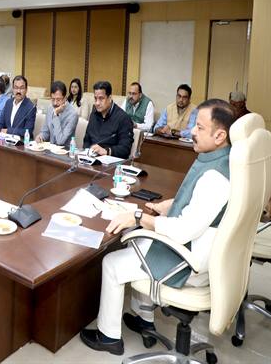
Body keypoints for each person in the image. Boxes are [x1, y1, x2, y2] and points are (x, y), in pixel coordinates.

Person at [80, 99, 236, 356]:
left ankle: (108, 337)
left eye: (199, 127)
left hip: (189, 263)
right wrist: (168, 205)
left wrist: (138, 216)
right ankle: (144, 320)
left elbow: (183, 230)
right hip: (199, 247)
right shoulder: (221, 160)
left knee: (113, 262)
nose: (192, 131)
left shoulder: (215, 177)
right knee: (137, 241)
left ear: (220, 136)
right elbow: (198, 202)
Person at [83, 81, 134, 158]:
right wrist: (87, 152)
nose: (97, 103)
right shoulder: (93, 114)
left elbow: (125, 149)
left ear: (109, 98)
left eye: (101, 98)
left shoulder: (123, 118)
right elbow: (87, 140)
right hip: (91, 157)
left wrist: (107, 151)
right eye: (95, 98)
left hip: (111, 159)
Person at [35, 81, 79, 147]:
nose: (55, 103)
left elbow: (60, 141)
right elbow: (45, 131)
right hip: (50, 148)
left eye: (58, 100)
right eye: (53, 99)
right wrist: (41, 136)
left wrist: (55, 115)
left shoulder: (73, 114)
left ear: (65, 98)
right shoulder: (50, 108)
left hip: (65, 151)